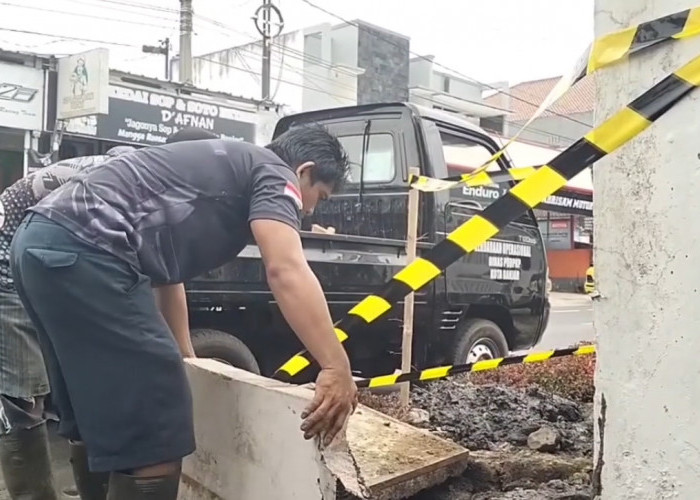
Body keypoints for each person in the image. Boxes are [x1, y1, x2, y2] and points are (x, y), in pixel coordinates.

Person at [10, 123, 358, 499]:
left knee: (96, 407)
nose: (307, 211)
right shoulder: (275, 173)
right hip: (87, 250)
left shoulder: (218, 166)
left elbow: (166, 275)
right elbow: (286, 269)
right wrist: (336, 367)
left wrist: (185, 356)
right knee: (159, 425)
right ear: (303, 171)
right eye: (318, 197)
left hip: (37, 244)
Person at [0, 127, 218, 500]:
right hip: (10, 266)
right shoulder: (139, 177)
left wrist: (184, 353)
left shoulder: (142, 174)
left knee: (87, 385)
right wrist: (175, 353)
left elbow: (166, 273)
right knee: (23, 395)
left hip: (48, 260)